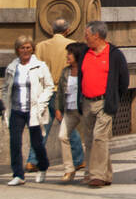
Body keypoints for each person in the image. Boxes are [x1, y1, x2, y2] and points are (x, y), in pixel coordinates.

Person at [76, 21, 130, 188]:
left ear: (96, 36)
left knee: (100, 137)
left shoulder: (114, 55)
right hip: (86, 101)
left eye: (87, 36)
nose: (85, 39)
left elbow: (124, 80)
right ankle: (102, 173)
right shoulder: (85, 52)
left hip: (104, 102)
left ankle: (97, 175)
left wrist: (113, 97)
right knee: (91, 139)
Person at [32, 18, 82, 178]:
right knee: (68, 130)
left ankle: (32, 159)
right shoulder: (72, 45)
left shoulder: (41, 46)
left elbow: (37, 69)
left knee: (42, 129)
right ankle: (79, 158)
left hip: (45, 92)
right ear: (67, 30)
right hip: (62, 92)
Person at [5, 36, 54, 185]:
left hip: (34, 110)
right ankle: (18, 175)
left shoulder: (40, 66)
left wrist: (41, 103)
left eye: (28, 47)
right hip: (16, 109)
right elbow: (6, 88)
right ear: (17, 50)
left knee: (37, 143)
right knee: (14, 143)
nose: (25, 51)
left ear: (32, 48)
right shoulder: (12, 67)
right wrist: (5, 105)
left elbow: (49, 86)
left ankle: (43, 166)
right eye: (22, 48)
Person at [53, 49, 85, 182]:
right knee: (62, 136)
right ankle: (69, 169)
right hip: (69, 110)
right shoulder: (66, 71)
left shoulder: (84, 70)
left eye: (70, 54)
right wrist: (58, 108)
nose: (67, 56)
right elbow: (60, 91)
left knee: (90, 140)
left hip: (83, 109)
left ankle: (91, 171)